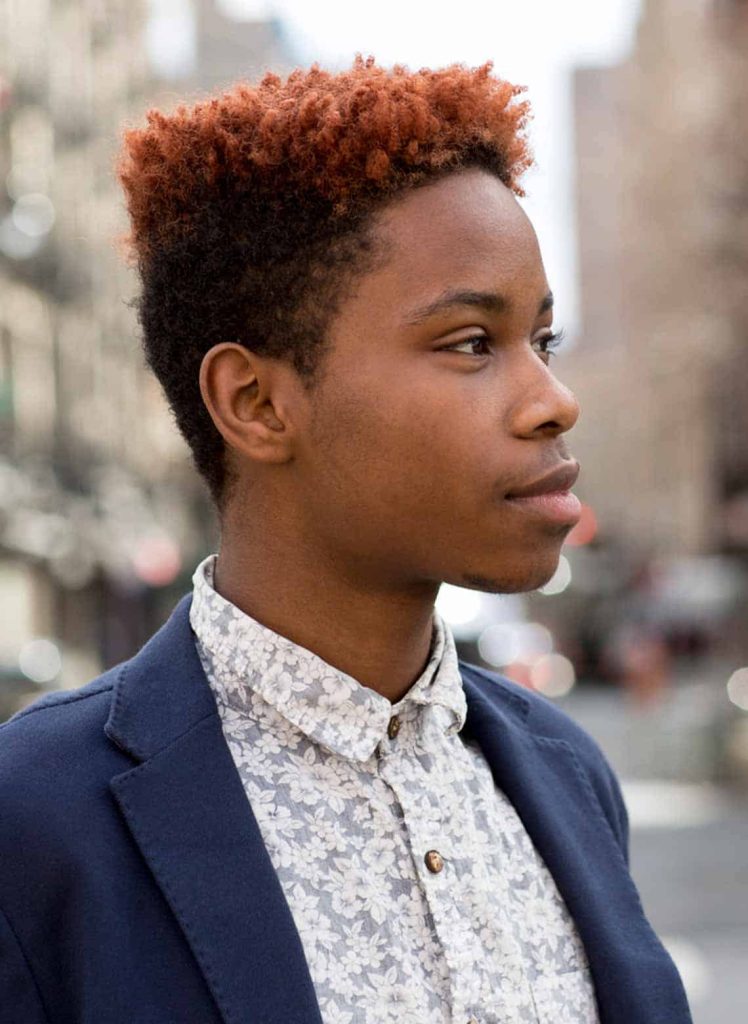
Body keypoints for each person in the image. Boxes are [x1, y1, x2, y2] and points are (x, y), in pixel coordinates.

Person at [0, 57, 692, 1024]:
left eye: (544, 340)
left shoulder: (564, 770)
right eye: (469, 342)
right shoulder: (33, 821)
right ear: (256, 403)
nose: (553, 400)